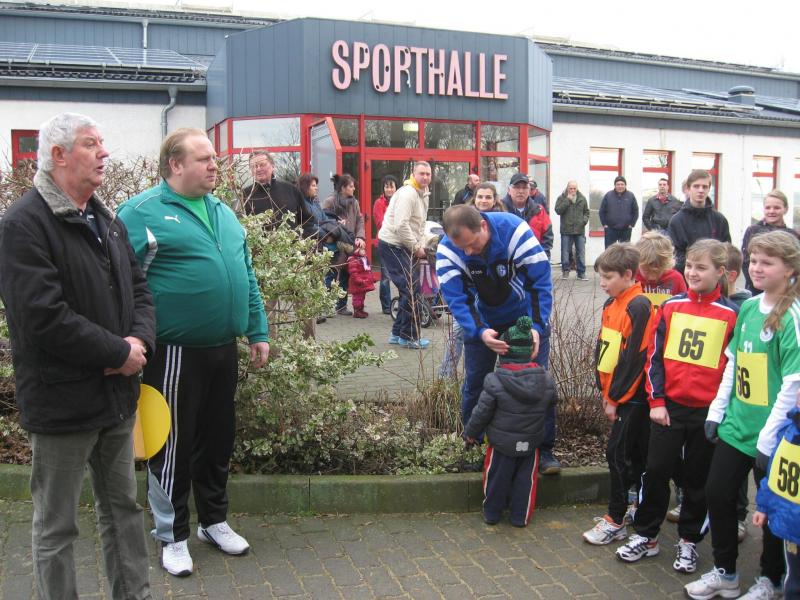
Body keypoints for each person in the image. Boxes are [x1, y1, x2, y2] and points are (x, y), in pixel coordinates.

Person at [0, 113, 155, 598]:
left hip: (115, 398)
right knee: (57, 526)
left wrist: (138, 343)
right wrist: (116, 351)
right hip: (62, 403)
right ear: (58, 155)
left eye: (102, 142)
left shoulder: (106, 220)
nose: (104, 152)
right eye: (91, 144)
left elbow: (139, 290)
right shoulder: (23, 224)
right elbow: (42, 316)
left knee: (123, 511)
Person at [117, 128, 270, 578]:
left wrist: (257, 330)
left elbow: (246, 273)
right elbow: (116, 283)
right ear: (175, 164)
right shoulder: (140, 213)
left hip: (223, 349)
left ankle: (213, 521)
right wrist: (128, 341)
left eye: (214, 158)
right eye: (203, 158)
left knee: (217, 438)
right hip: (173, 353)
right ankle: (172, 535)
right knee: (171, 444)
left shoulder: (223, 210)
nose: (214, 165)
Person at [685, 230, 800, 600]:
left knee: (772, 509)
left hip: (775, 435)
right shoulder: (748, 307)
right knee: (717, 492)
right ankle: (726, 572)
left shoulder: (792, 316)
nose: (757, 268)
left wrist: (767, 438)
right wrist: (717, 411)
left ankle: (770, 578)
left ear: (790, 269)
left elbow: (793, 382)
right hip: (737, 425)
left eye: (768, 262)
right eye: (754, 260)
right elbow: (734, 364)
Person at [615, 240, 738, 575]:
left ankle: (689, 540)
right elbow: (653, 358)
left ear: (720, 272)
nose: (693, 273)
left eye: (702, 268)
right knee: (656, 470)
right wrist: (656, 401)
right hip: (667, 408)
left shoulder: (731, 315)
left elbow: (732, 367)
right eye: (690, 266)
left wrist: (719, 411)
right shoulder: (671, 307)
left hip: (707, 413)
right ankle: (647, 535)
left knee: (697, 479)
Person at [436, 205, 553, 459]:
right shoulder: (447, 251)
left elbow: (540, 282)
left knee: (536, 384)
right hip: (482, 321)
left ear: (483, 226)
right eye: (462, 248)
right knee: (476, 384)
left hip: (524, 318)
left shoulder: (515, 231)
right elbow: (458, 300)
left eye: (472, 244)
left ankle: (542, 451)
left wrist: (536, 327)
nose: (468, 252)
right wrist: (479, 331)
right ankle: (474, 447)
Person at [582, 243, 656, 545]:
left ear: (628, 275)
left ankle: (616, 518)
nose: (602, 283)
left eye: (608, 277)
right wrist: (603, 388)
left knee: (618, 453)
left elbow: (634, 358)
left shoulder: (638, 306)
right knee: (632, 454)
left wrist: (615, 397)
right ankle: (632, 508)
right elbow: (605, 349)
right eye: (600, 276)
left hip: (632, 397)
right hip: (616, 392)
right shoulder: (611, 304)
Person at [463, 316, 557, 527]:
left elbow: (481, 412)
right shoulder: (546, 379)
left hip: (501, 445)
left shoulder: (494, 380)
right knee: (526, 481)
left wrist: (470, 433)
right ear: (531, 351)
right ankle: (520, 517)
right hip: (530, 444)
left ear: (503, 352)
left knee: (496, 478)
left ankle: (492, 513)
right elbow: (552, 403)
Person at [378, 162, 432, 349]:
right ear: (413, 174)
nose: (425, 177)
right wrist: (417, 248)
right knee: (411, 288)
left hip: (402, 246)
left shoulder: (423, 194)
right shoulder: (408, 194)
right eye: (421, 173)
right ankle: (409, 336)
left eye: (428, 174)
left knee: (408, 289)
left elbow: (420, 225)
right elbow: (401, 226)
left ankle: (397, 334)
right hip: (392, 245)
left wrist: (422, 244)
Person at [752, 404, 800, 599]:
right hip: (791, 528)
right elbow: (773, 474)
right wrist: (763, 507)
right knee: (794, 581)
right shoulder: (788, 431)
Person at [668, 169, 731, 276]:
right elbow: (675, 255)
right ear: (688, 189)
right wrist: (697, 268)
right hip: (687, 278)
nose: (701, 190)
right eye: (696, 186)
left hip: (714, 278)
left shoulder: (719, 220)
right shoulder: (677, 221)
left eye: (704, 187)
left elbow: (726, 251)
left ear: (709, 189)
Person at [322, 174, 366, 316]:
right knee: (330, 275)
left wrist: (360, 237)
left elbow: (360, 220)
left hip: (349, 243)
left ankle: (341, 306)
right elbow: (322, 220)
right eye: (351, 186)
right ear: (343, 188)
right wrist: (336, 224)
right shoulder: (330, 201)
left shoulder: (355, 203)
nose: (354, 189)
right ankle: (325, 307)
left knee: (346, 276)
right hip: (333, 245)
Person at [742, 190, 800, 294]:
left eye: (777, 208)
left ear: (786, 209)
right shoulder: (753, 231)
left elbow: (795, 263)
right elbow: (746, 261)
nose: (771, 211)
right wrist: (758, 284)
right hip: (755, 289)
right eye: (768, 207)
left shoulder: (793, 235)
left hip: (784, 290)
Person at [242, 150, 312, 235]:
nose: (258, 169)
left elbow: (307, 221)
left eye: (262, 165)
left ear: (273, 166)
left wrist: (302, 239)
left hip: (291, 242)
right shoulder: (244, 195)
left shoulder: (291, 190)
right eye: (254, 166)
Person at [635, 231, 687, 307]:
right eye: (646, 271)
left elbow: (683, 305)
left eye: (658, 271)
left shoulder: (676, 279)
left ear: (666, 265)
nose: (652, 277)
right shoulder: (632, 278)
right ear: (638, 264)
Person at [373, 175, 398, 314]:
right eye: (386, 186)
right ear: (383, 188)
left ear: (396, 188)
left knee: (400, 275)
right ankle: (386, 306)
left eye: (391, 186)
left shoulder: (400, 201)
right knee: (386, 277)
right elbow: (380, 223)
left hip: (398, 243)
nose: (389, 189)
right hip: (384, 243)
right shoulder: (379, 203)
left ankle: (402, 303)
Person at [554, 180, 590, 280]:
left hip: (579, 230)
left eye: (574, 188)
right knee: (565, 252)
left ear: (577, 188)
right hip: (566, 230)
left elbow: (586, 212)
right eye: (571, 188)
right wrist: (567, 200)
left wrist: (584, 221)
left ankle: (581, 273)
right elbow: (558, 210)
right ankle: (565, 271)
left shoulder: (582, 198)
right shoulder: (562, 198)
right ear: (567, 188)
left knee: (581, 252)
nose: (572, 190)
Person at [599, 176, 638, 248]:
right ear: (615, 185)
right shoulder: (608, 195)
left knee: (625, 251)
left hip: (626, 229)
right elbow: (602, 211)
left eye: (622, 184)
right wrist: (604, 224)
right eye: (618, 184)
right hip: (610, 229)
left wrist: (632, 224)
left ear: (625, 185)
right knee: (610, 251)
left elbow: (635, 211)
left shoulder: (631, 196)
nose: (620, 186)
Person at [346, 245, 376, 319]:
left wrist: (372, 278)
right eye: (362, 250)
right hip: (357, 283)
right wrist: (359, 280)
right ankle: (357, 311)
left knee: (362, 297)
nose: (364, 251)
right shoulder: (353, 260)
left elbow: (368, 270)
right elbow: (353, 272)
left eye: (364, 250)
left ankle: (361, 310)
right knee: (357, 297)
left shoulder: (364, 259)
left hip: (363, 282)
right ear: (357, 251)